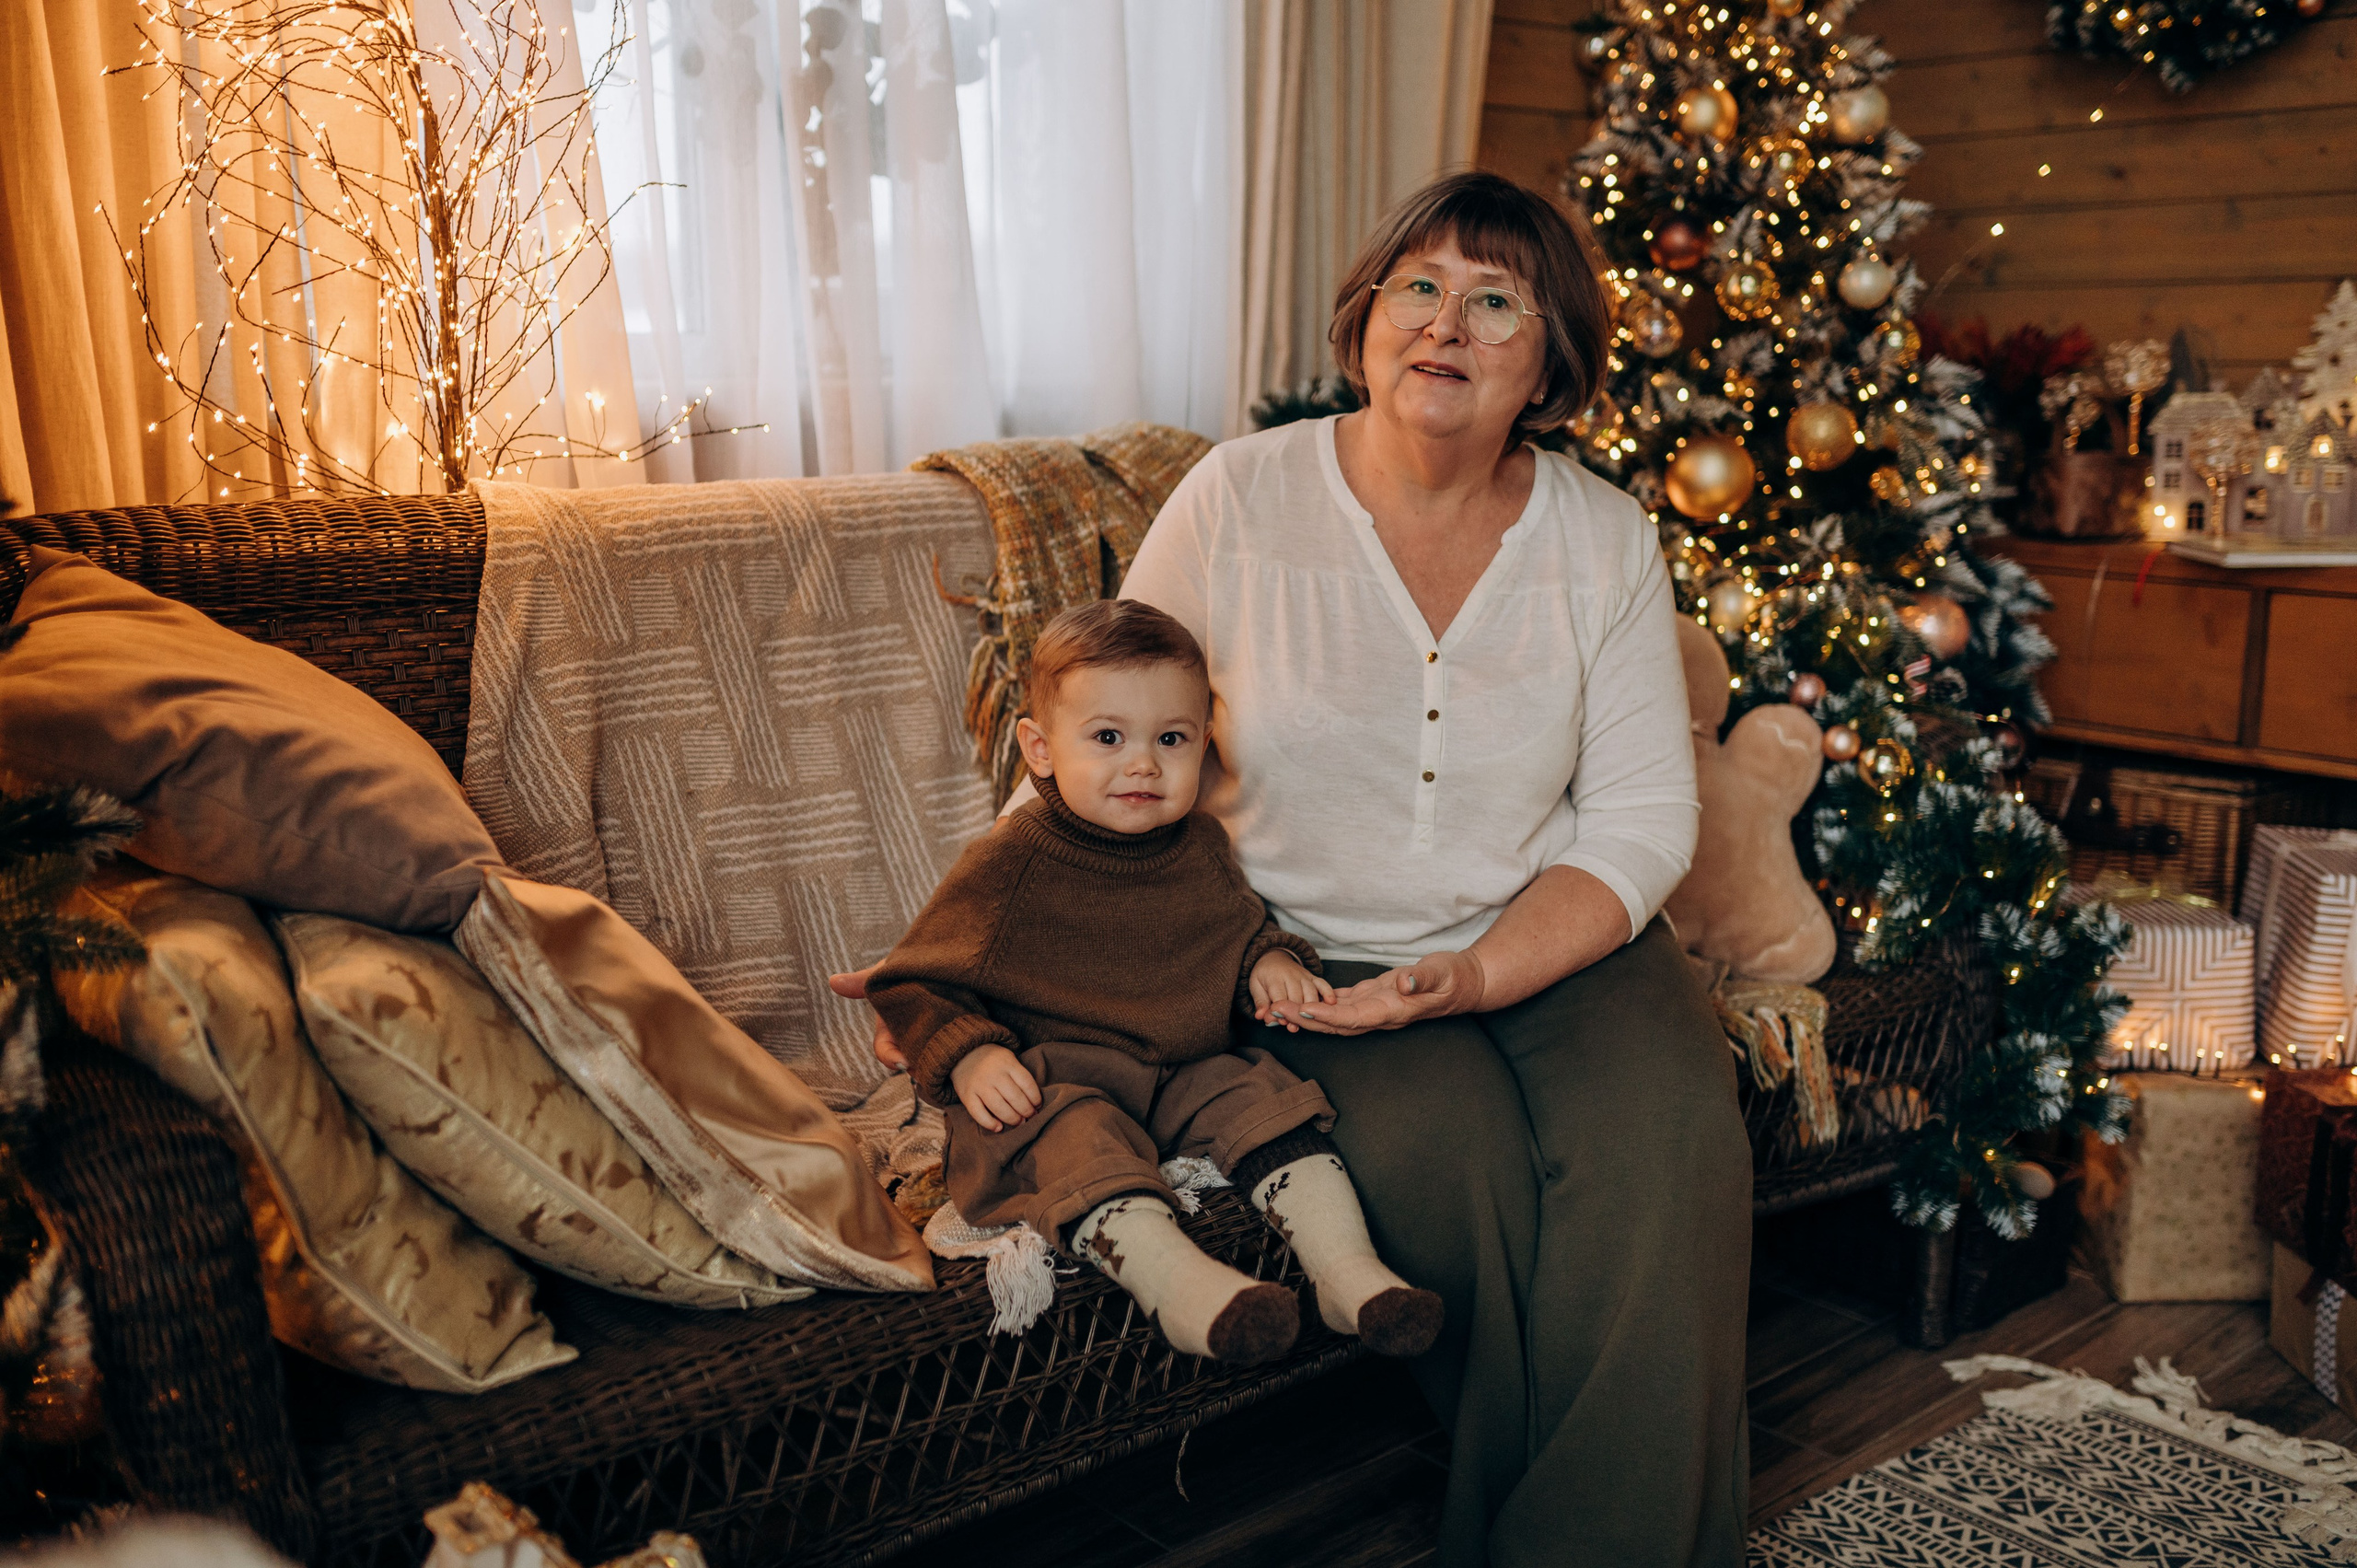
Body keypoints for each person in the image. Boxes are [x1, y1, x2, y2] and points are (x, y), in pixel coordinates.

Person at [838, 170, 1748, 1567]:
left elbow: (1637, 818)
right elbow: (1105, 739)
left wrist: (1486, 968)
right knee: (1464, 1187)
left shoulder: (1603, 538)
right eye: (1419, 287)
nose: (1447, 321)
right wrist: (992, 965)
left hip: (1561, 937)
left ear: (1551, 358)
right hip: (1299, 964)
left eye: (1496, 298)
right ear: (1367, 318)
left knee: (1670, 1152)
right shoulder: (1240, 497)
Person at [865, 598, 1445, 1366]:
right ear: (1039, 748)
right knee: (1067, 1134)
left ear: (1204, 744)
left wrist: (1267, 963)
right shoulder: (1009, 863)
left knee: (1264, 1094)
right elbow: (911, 981)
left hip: (1179, 1072)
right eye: (1108, 737)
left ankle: (1348, 1275)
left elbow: (1232, 933)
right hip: (1055, 1080)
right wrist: (970, 1054)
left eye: (1170, 738)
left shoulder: (1198, 844)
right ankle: (1188, 1293)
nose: (1143, 763)